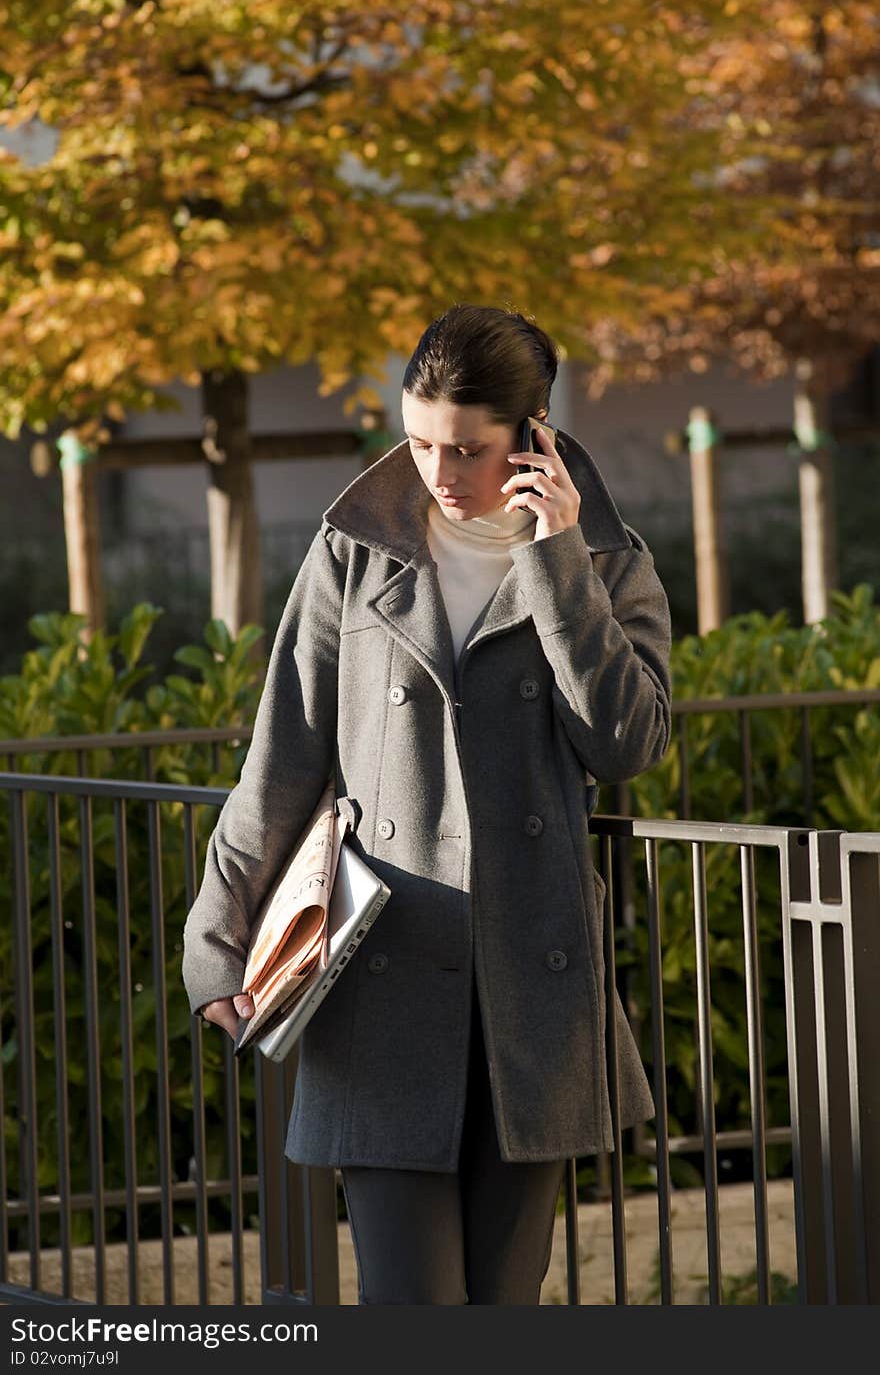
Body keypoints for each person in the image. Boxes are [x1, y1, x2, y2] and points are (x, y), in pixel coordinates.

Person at [182, 304, 673, 1305]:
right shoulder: (353, 551)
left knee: (500, 1307)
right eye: (417, 440)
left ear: (534, 436)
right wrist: (217, 938)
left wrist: (554, 560)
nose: (439, 473)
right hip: (383, 985)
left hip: (532, 997)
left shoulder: (609, 561)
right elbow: (282, 758)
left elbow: (626, 744)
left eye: (467, 448)